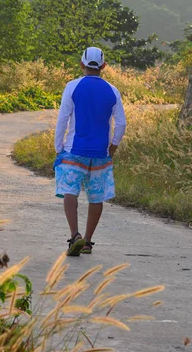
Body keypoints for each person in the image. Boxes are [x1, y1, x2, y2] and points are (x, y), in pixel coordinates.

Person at [54, 47, 127, 256]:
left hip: (73, 151)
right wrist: (112, 147)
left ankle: (74, 235)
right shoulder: (113, 91)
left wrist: (59, 148)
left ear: (82, 64)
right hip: (100, 154)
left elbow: (62, 119)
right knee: (96, 198)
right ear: (103, 66)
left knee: (70, 191)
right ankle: (87, 242)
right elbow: (121, 124)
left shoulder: (72, 87)